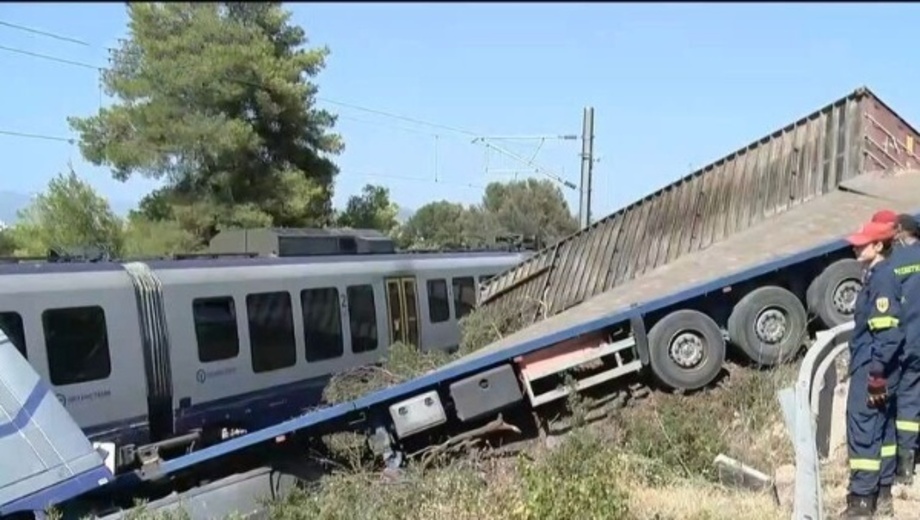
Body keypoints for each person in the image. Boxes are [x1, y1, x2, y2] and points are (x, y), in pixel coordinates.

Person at [843, 219, 904, 518]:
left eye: (862, 243)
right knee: (883, 429)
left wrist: (876, 373)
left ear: (879, 246)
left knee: (864, 430)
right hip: (879, 366)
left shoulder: (881, 279)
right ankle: (883, 497)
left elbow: (888, 333)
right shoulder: (877, 276)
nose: (856, 246)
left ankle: (861, 504)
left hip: (872, 367)